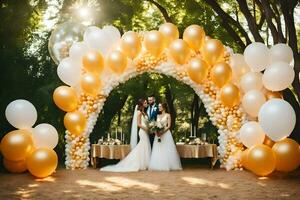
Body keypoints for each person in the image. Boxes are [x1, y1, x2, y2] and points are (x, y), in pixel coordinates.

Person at [100, 99, 151, 172]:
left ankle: (145, 163)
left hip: (146, 131)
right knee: (143, 145)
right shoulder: (139, 112)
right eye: (145, 102)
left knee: (145, 145)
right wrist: (146, 128)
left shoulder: (144, 112)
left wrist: (149, 127)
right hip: (142, 131)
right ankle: (139, 163)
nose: (146, 103)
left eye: (146, 102)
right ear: (141, 104)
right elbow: (139, 124)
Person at [149, 103, 182, 171]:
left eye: (160, 106)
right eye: (158, 106)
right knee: (158, 149)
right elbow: (155, 124)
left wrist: (162, 132)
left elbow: (169, 126)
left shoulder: (168, 115)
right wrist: (156, 132)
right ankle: (158, 165)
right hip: (158, 135)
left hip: (166, 134)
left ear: (164, 107)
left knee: (166, 149)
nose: (159, 107)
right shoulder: (158, 115)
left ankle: (168, 164)